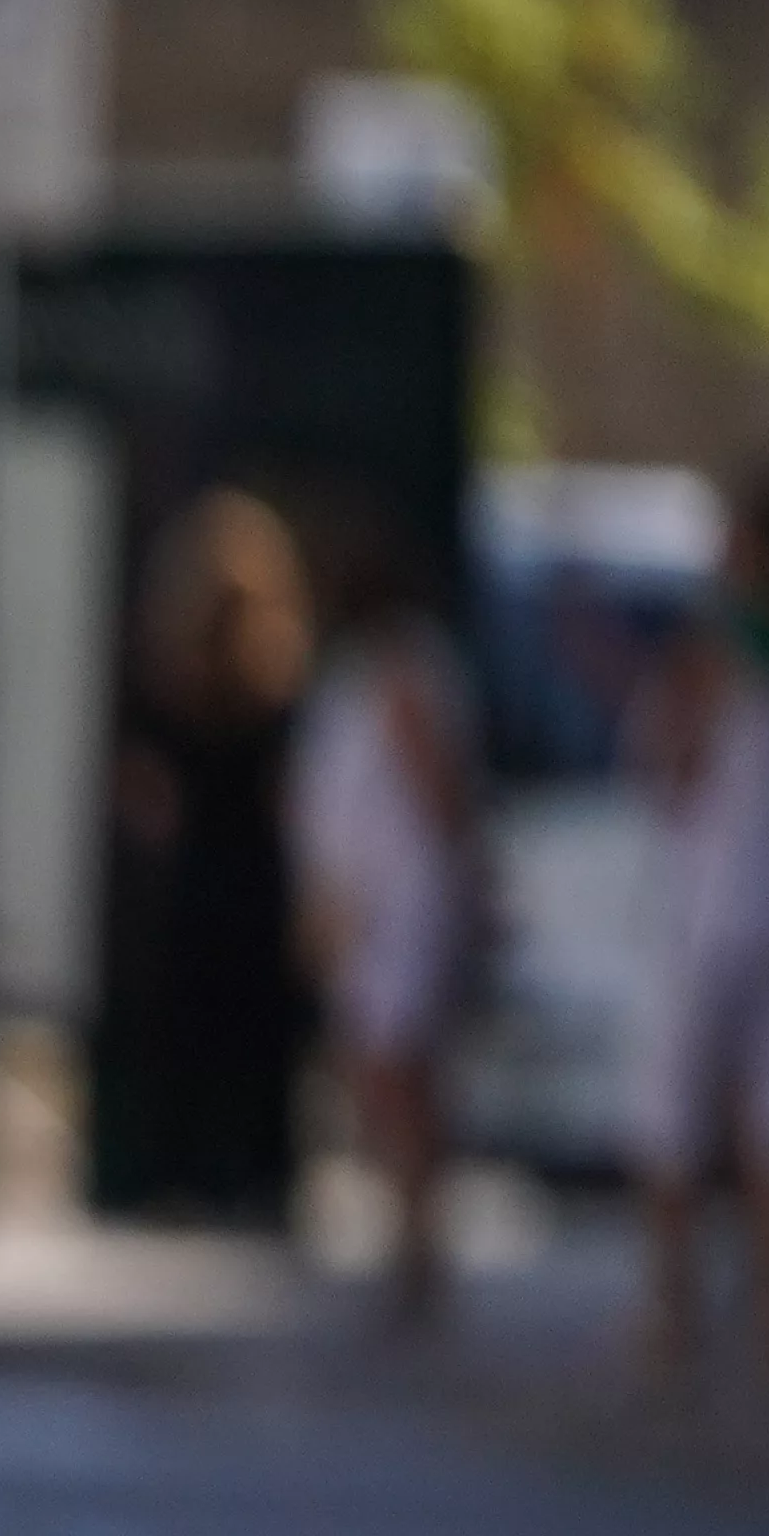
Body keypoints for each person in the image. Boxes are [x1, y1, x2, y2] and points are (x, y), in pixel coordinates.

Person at [284, 516, 483, 1336]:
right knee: (379, 1070)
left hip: (397, 902)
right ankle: (410, 1238)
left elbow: (433, 788)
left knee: (397, 1070)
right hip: (367, 898)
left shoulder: (403, 666)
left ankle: (418, 1245)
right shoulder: (363, 668)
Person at [99, 491, 316, 1222]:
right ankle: (245, 1175)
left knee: (208, 1028)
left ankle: (193, 1172)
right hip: (243, 876)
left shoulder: (181, 677)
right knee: (247, 1034)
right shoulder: (252, 681)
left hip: (207, 876)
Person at [641, 474, 769, 1393]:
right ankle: (715, 1312)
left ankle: (685, 1310)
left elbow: (669, 763)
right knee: (727, 1115)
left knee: (693, 1112)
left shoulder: (722, 645)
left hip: (724, 909)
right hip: (731, 903)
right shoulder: (721, 646)